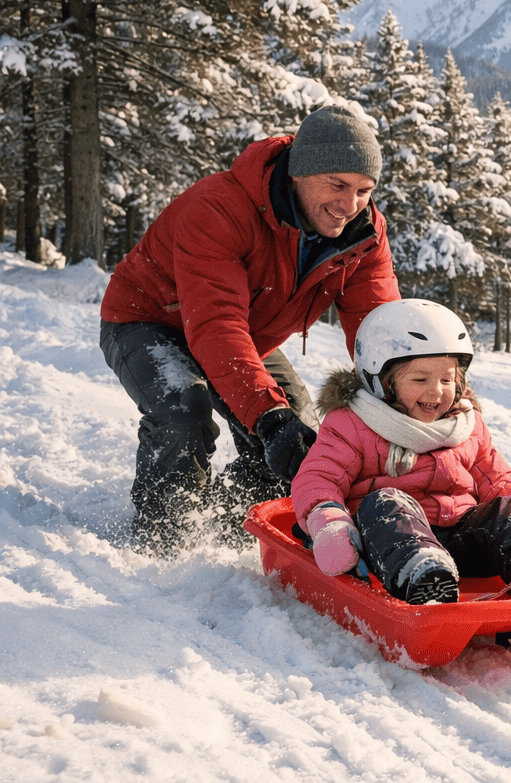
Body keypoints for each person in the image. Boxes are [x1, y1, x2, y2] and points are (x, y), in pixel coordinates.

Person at [100, 105, 400, 553]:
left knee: (301, 440)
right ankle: (164, 541)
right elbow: (215, 323)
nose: (350, 204)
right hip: (149, 320)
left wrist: (406, 393)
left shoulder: (364, 235)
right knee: (185, 412)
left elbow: (379, 329)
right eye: (337, 185)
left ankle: (234, 524)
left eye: (363, 190)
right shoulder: (219, 207)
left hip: (245, 335)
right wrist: (267, 415)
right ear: (299, 173)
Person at [290, 298, 511, 606]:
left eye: (447, 380)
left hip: (460, 539)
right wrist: (328, 521)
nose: (436, 392)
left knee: (503, 511)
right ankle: (421, 573)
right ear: (381, 381)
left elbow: (498, 482)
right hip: (386, 545)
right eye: (421, 379)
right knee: (385, 500)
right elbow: (318, 478)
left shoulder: (465, 426)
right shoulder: (352, 423)